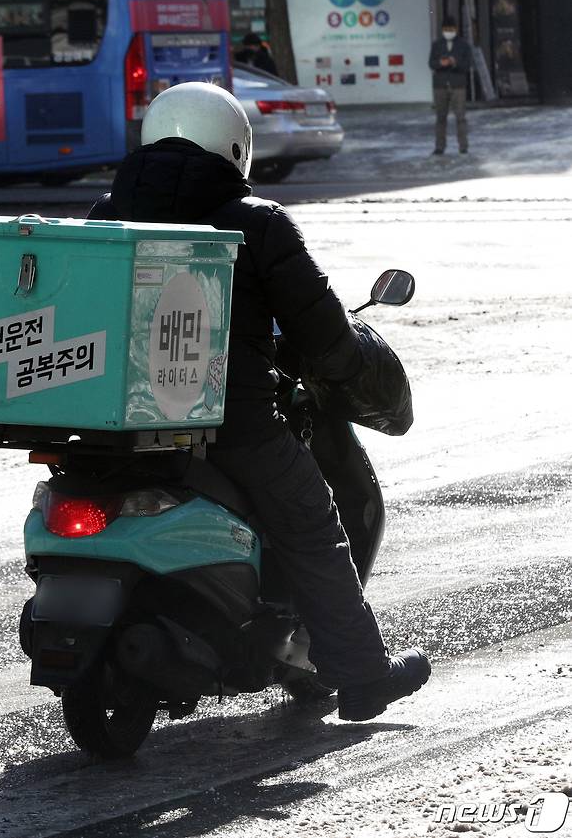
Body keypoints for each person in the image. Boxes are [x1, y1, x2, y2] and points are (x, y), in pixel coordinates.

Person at [89, 83, 431, 721]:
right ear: (234, 145)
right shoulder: (259, 221)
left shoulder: (107, 214)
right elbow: (322, 330)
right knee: (311, 522)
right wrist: (349, 365)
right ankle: (359, 677)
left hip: (114, 423)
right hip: (231, 423)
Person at [428, 15, 472, 155]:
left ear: (456, 29)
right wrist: (441, 63)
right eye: (446, 29)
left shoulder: (464, 45)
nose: (449, 31)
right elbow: (431, 63)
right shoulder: (436, 44)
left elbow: (467, 65)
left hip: (458, 85)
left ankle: (463, 146)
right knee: (440, 117)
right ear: (442, 30)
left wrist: (455, 62)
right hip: (440, 85)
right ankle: (439, 146)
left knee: (460, 117)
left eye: (451, 29)